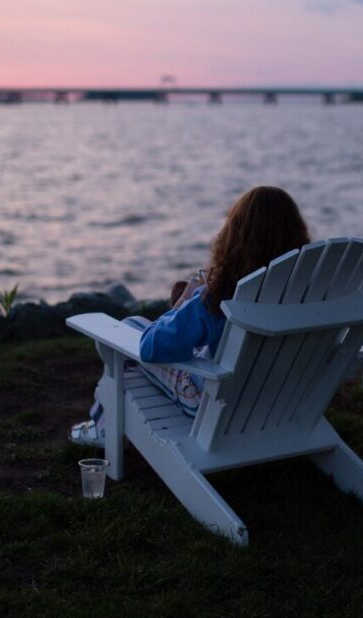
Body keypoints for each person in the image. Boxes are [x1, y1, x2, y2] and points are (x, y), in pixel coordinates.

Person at [71, 186, 312, 446]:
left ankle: (102, 427)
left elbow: (151, 346)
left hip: (212, 404)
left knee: (131, 328)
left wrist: (186, 301)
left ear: (235, 238)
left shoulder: (219, 297)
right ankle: (109, 421)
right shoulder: (307, 294)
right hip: (280, 398)